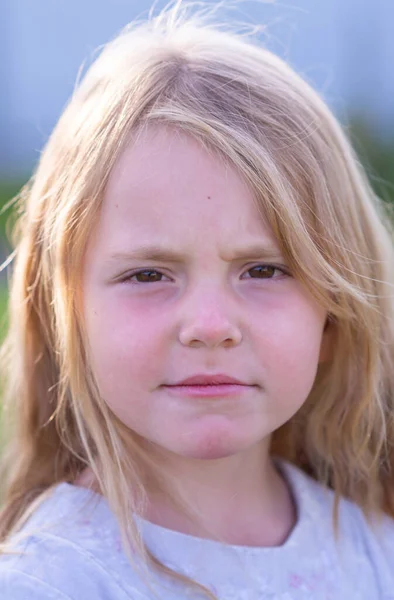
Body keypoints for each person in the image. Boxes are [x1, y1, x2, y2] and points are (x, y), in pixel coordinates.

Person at [1, 1, 394, 598]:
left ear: (334, 319)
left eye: (263, 269)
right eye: (149, 275)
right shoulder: (50, 580)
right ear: (66, 317)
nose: (210, 326)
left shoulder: (374, 553)